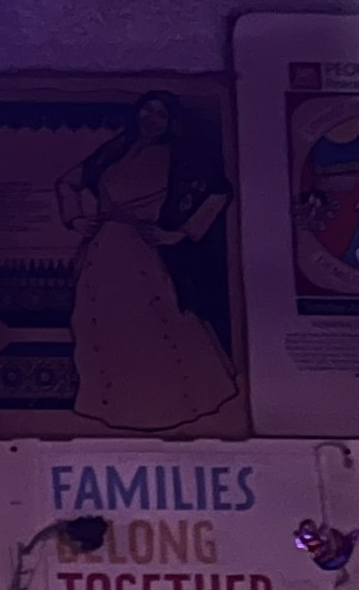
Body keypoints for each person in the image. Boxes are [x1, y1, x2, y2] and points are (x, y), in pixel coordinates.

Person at [63, 92, 238, 433]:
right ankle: (113, 406)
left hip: (143, 249)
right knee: (102, 325)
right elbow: (68, 183)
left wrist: (182, 232)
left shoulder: (182, 156)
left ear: (171, 120)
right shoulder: (116, 148)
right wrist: (75, 219)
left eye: (161, 113)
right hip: (103, 250)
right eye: (148, 109)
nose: (151, 118)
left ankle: (161, 408)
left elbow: (219, 193)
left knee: (153, 324)